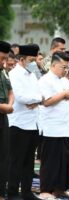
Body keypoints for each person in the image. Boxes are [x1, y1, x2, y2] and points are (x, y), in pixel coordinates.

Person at [38, 52, 69, 199]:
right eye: (62, 67)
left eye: (67, 67)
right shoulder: (45, 80)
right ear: (53, 65)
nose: (65, 70)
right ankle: (46, 189)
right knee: (51, 161)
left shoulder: (65, 81)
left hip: (65, 126)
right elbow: (46, 102)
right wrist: (64, 95)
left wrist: (68, 94)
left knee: (64, 160)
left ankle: (60, 188)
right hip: (51, 127)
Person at [7, 44, 42, 200]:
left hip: (33, 123)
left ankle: (27, 192)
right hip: (19, 123)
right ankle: (13, 192)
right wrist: (36, 98)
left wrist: (36, 99)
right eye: (31, 60)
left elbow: (41, 94)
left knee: (29, 161)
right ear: (22, 59)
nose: (34, 63)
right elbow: (20, 97)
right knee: (16, 160)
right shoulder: (14, 74)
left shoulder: (32, 74)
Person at [0, 41, 14, 200]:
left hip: (4, 117)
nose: (4, 62)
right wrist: (6, 108)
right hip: (3, 111)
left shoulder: (3, 71)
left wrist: (9, 105)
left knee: (4, 156)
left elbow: (10, 90)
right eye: (2, 58)